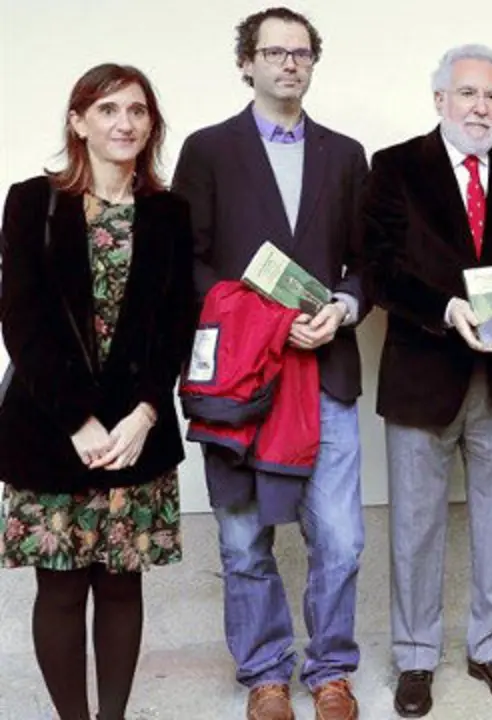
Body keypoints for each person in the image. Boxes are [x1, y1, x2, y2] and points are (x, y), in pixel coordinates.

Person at [171, 7, 369, 719]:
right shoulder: (207, 150)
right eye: (275, 51)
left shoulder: (346, 155)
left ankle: (332, 671)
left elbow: (367, 261)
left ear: (313, 63)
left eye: (301, 52)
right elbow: (186, 264)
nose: (290, 63)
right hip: (240, 383)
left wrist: (342, 307)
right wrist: (268, 323)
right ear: (246, 63)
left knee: (340, 540)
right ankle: (265, 674)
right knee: (243, 538)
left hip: (327, 371)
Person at [362, 43, 492, 718]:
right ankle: (416, 657)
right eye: (468, 93)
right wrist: (448, 309)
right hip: (423, 374)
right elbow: (379, 269)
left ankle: (491, 649)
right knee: (415, 526)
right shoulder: (395, 167)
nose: (480, 108)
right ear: (440, 99)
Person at [0, 63, 193, 720]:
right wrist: (77, 422)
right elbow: (21, 321)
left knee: (120, 586)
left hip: (135, 430)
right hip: (51, 427)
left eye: (137, 110)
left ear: (151, 125)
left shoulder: (169, 212)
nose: (124, 123)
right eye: (107, 109)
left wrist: (146, 413)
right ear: (78, 122)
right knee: (59, 590)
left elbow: (175, 324)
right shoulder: (33, 202)